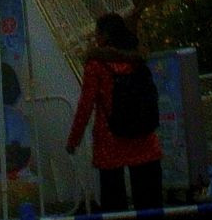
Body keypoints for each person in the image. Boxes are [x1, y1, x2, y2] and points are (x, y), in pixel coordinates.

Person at [64, 11, 164, 211]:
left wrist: (73, 140)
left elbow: (85, 106)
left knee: (114, 206)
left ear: (104, 36)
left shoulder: (96, 65)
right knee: (149, 205)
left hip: (110, 141)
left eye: (97, 34)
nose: (95, 38)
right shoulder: (137, 61)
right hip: (144, 138)